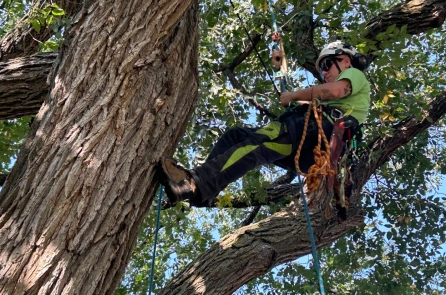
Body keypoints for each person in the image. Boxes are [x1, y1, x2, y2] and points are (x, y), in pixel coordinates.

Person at [155, 40, 371, 207]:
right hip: (309, 145)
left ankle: (195, 184)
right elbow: (304, 98)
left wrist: (292, 96)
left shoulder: (353, 75)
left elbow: (333, 91)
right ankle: (203, 192)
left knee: (256, 147)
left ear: (345, 59)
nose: (324, 72)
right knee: (237, 137)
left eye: (326, 64)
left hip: (312, 133)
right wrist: (280, 71)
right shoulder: (342, 99)